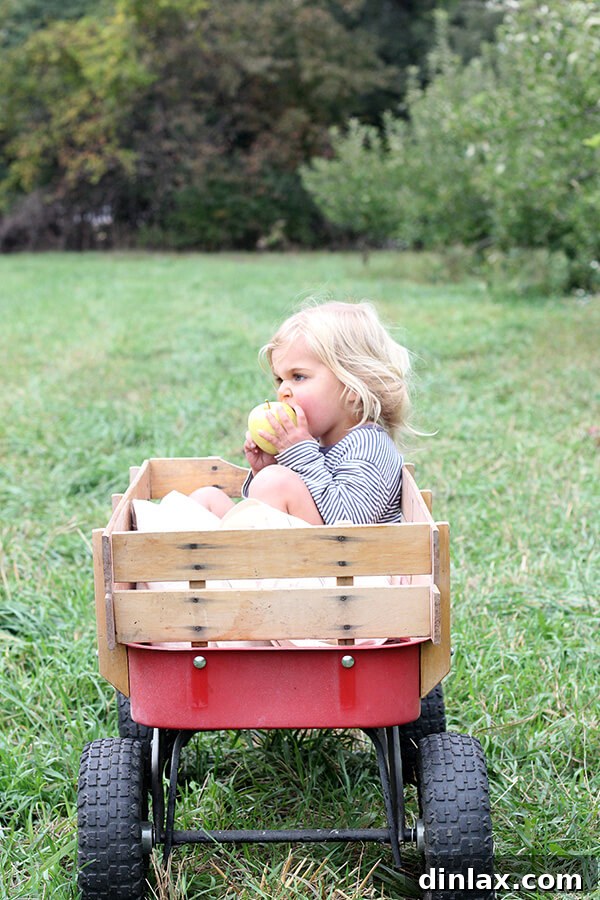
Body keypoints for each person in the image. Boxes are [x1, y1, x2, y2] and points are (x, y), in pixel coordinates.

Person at [190, 300, 412, 525]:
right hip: (298, 552)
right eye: (280, 379)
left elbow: (347, 523)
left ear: (353, 387)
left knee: (274, 483)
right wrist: (269, 467)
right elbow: (303, 503)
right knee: (207, 499)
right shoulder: (317, 443)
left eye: (298, 376)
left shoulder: (369, 448)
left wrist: (294, 460)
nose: (283, 390)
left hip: (342, 558)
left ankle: (229, 558)